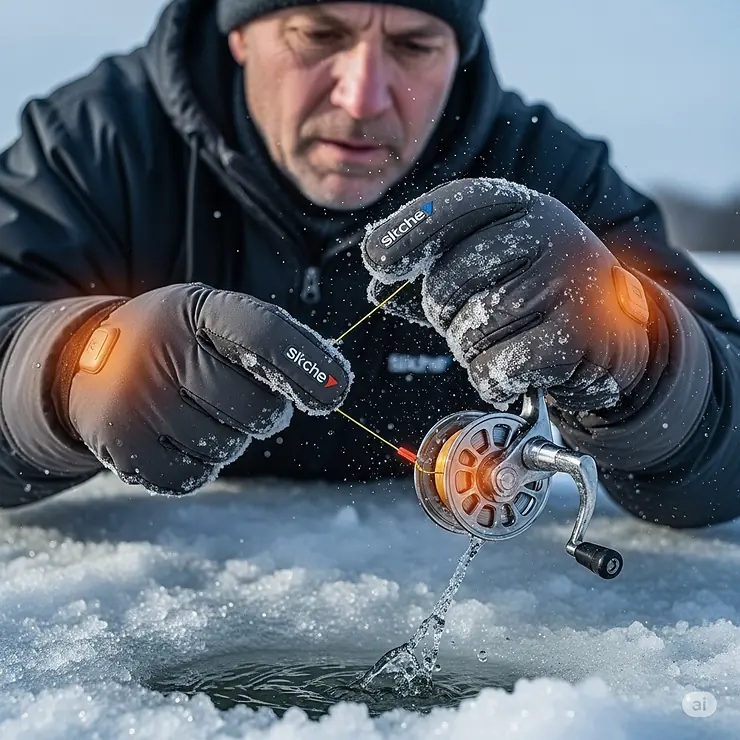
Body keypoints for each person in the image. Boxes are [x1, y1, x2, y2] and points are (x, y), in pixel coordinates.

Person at [0, 0, 737, 529]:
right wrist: (70, 373)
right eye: (320, 33)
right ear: (239, 34)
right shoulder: (95, 145)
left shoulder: (543, 169)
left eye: (415, 45)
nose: (363, 97)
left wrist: (641, 354)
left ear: (461, 52)